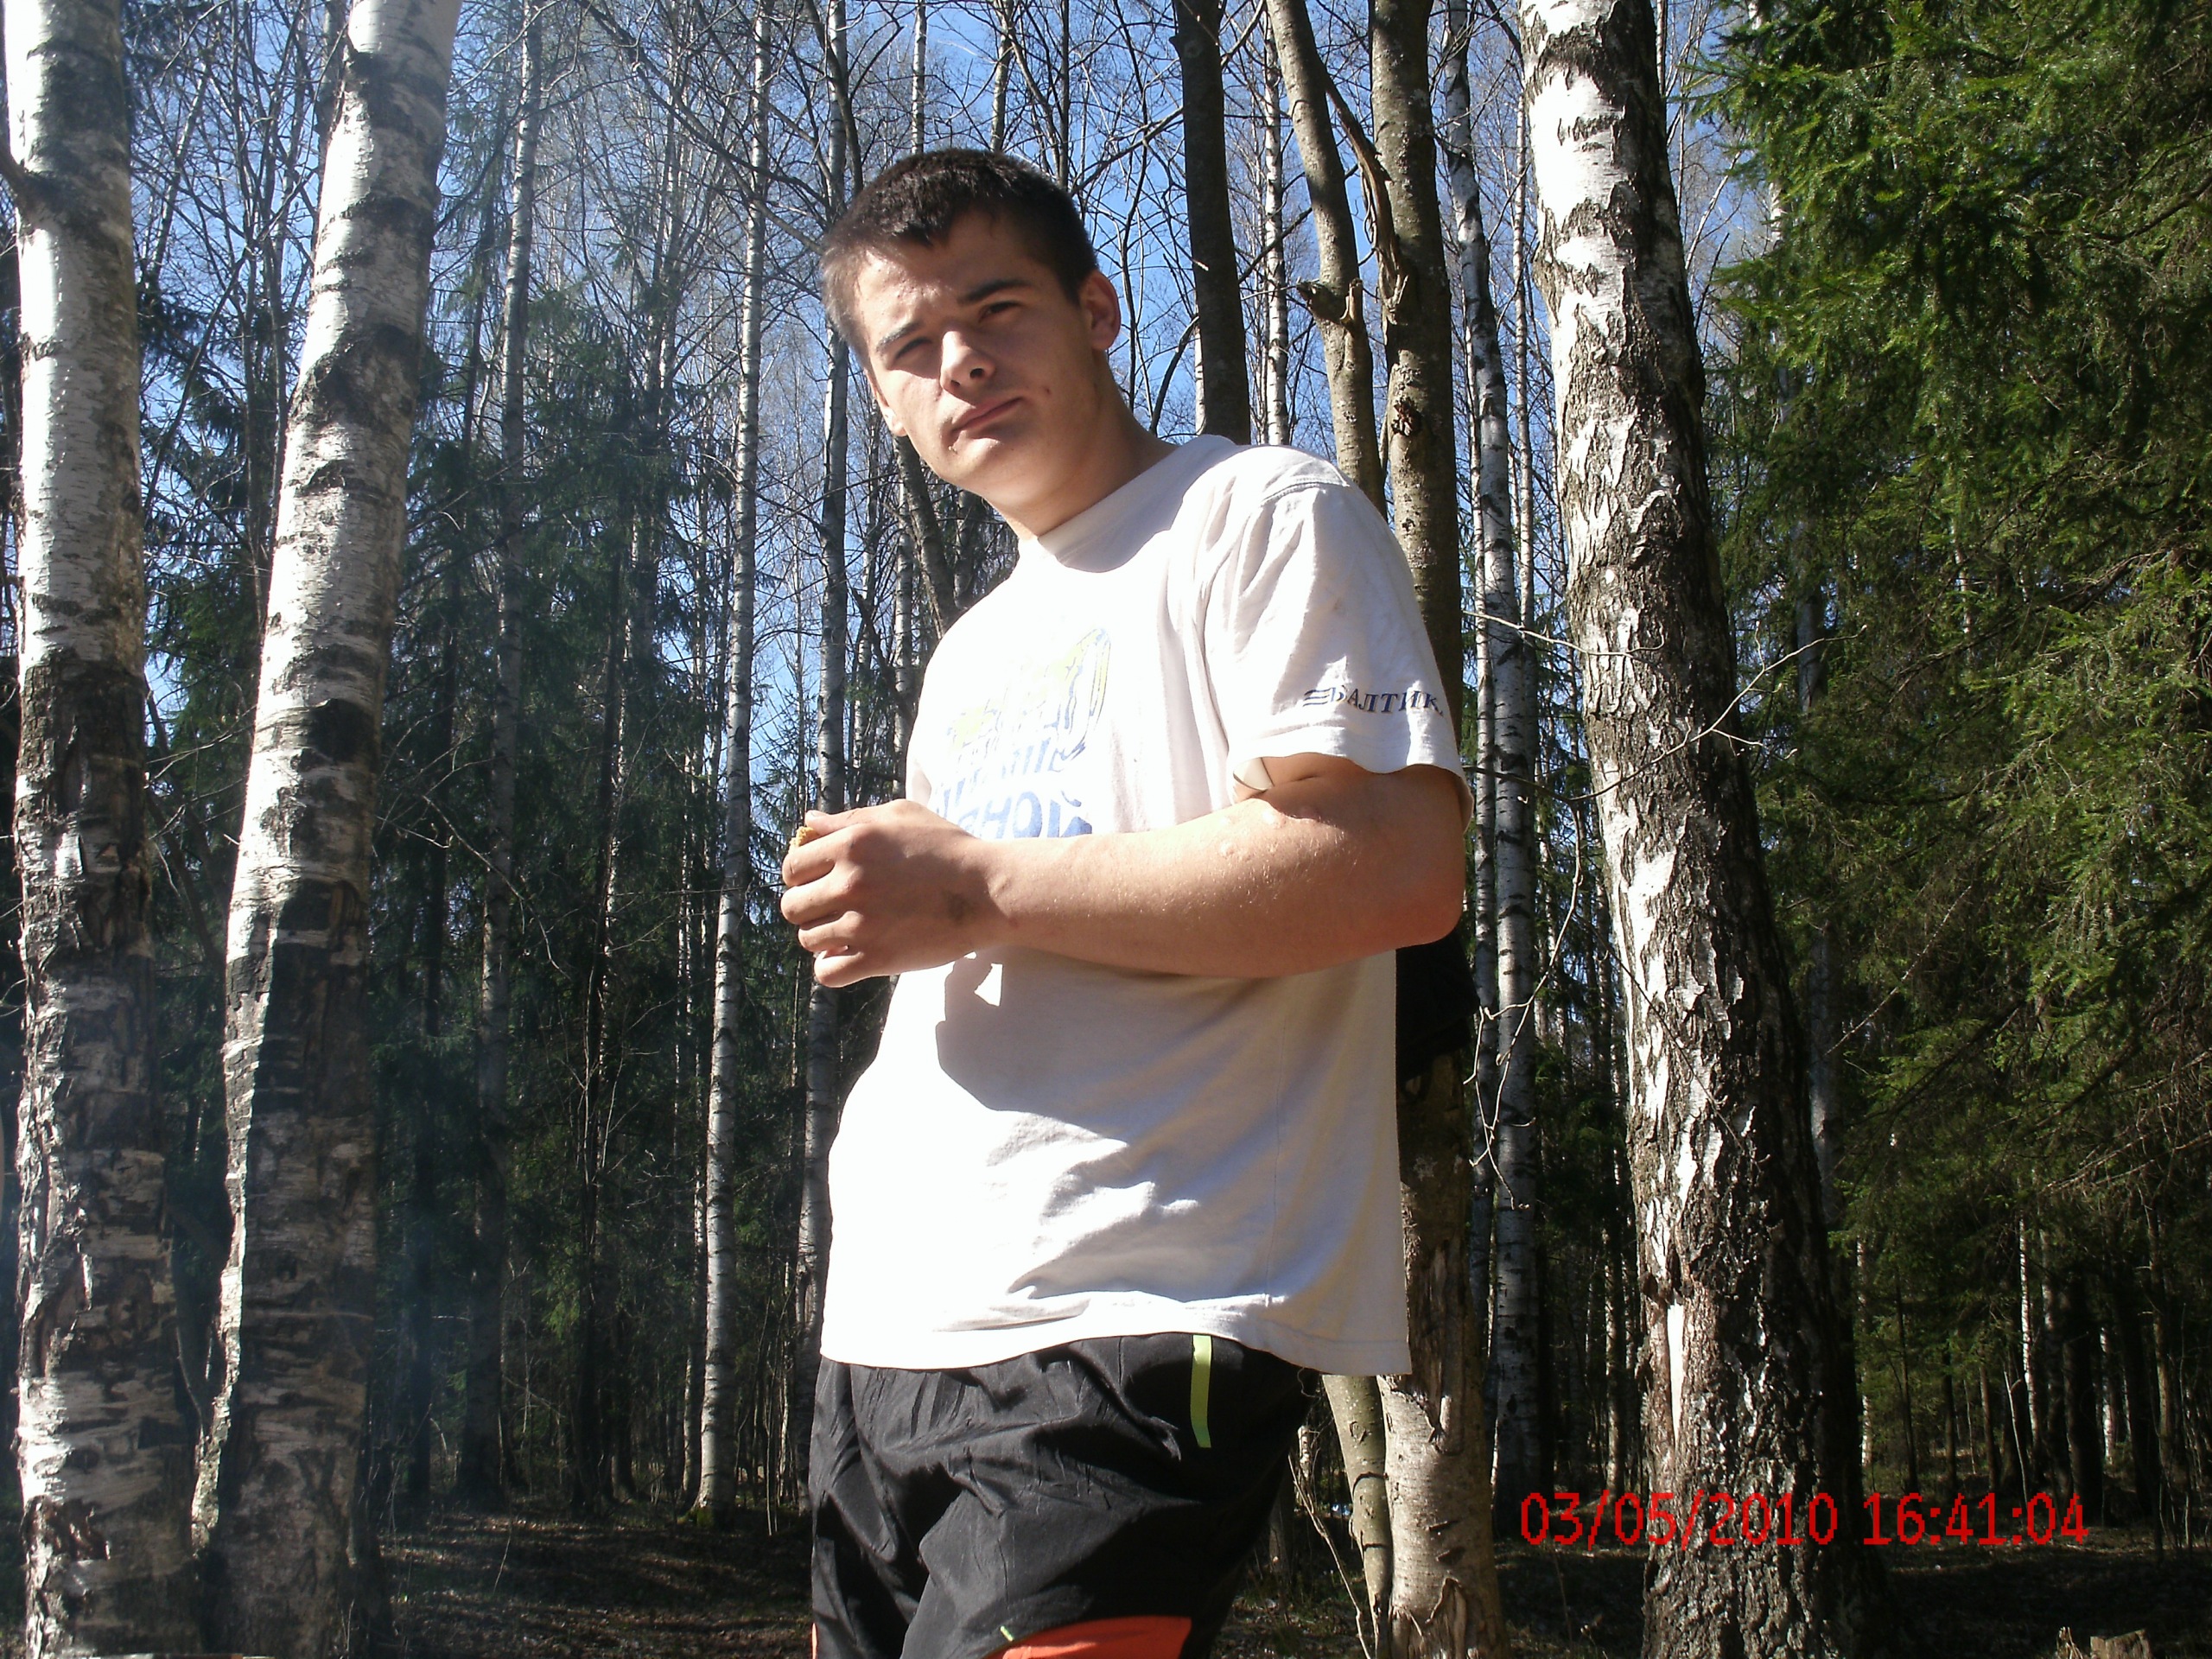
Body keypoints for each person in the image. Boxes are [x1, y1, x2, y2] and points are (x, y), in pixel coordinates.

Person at [782, 149, 1469, 1659]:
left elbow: (1397, 866)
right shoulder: (972, 645)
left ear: (1097, 311)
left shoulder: (1260, 515)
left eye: (997, 310)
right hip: (890, 1326)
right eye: (911, 346)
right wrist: (921, 907)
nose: (960, 362)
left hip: (1136, 1307)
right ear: (885, 400)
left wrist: (973, 884)